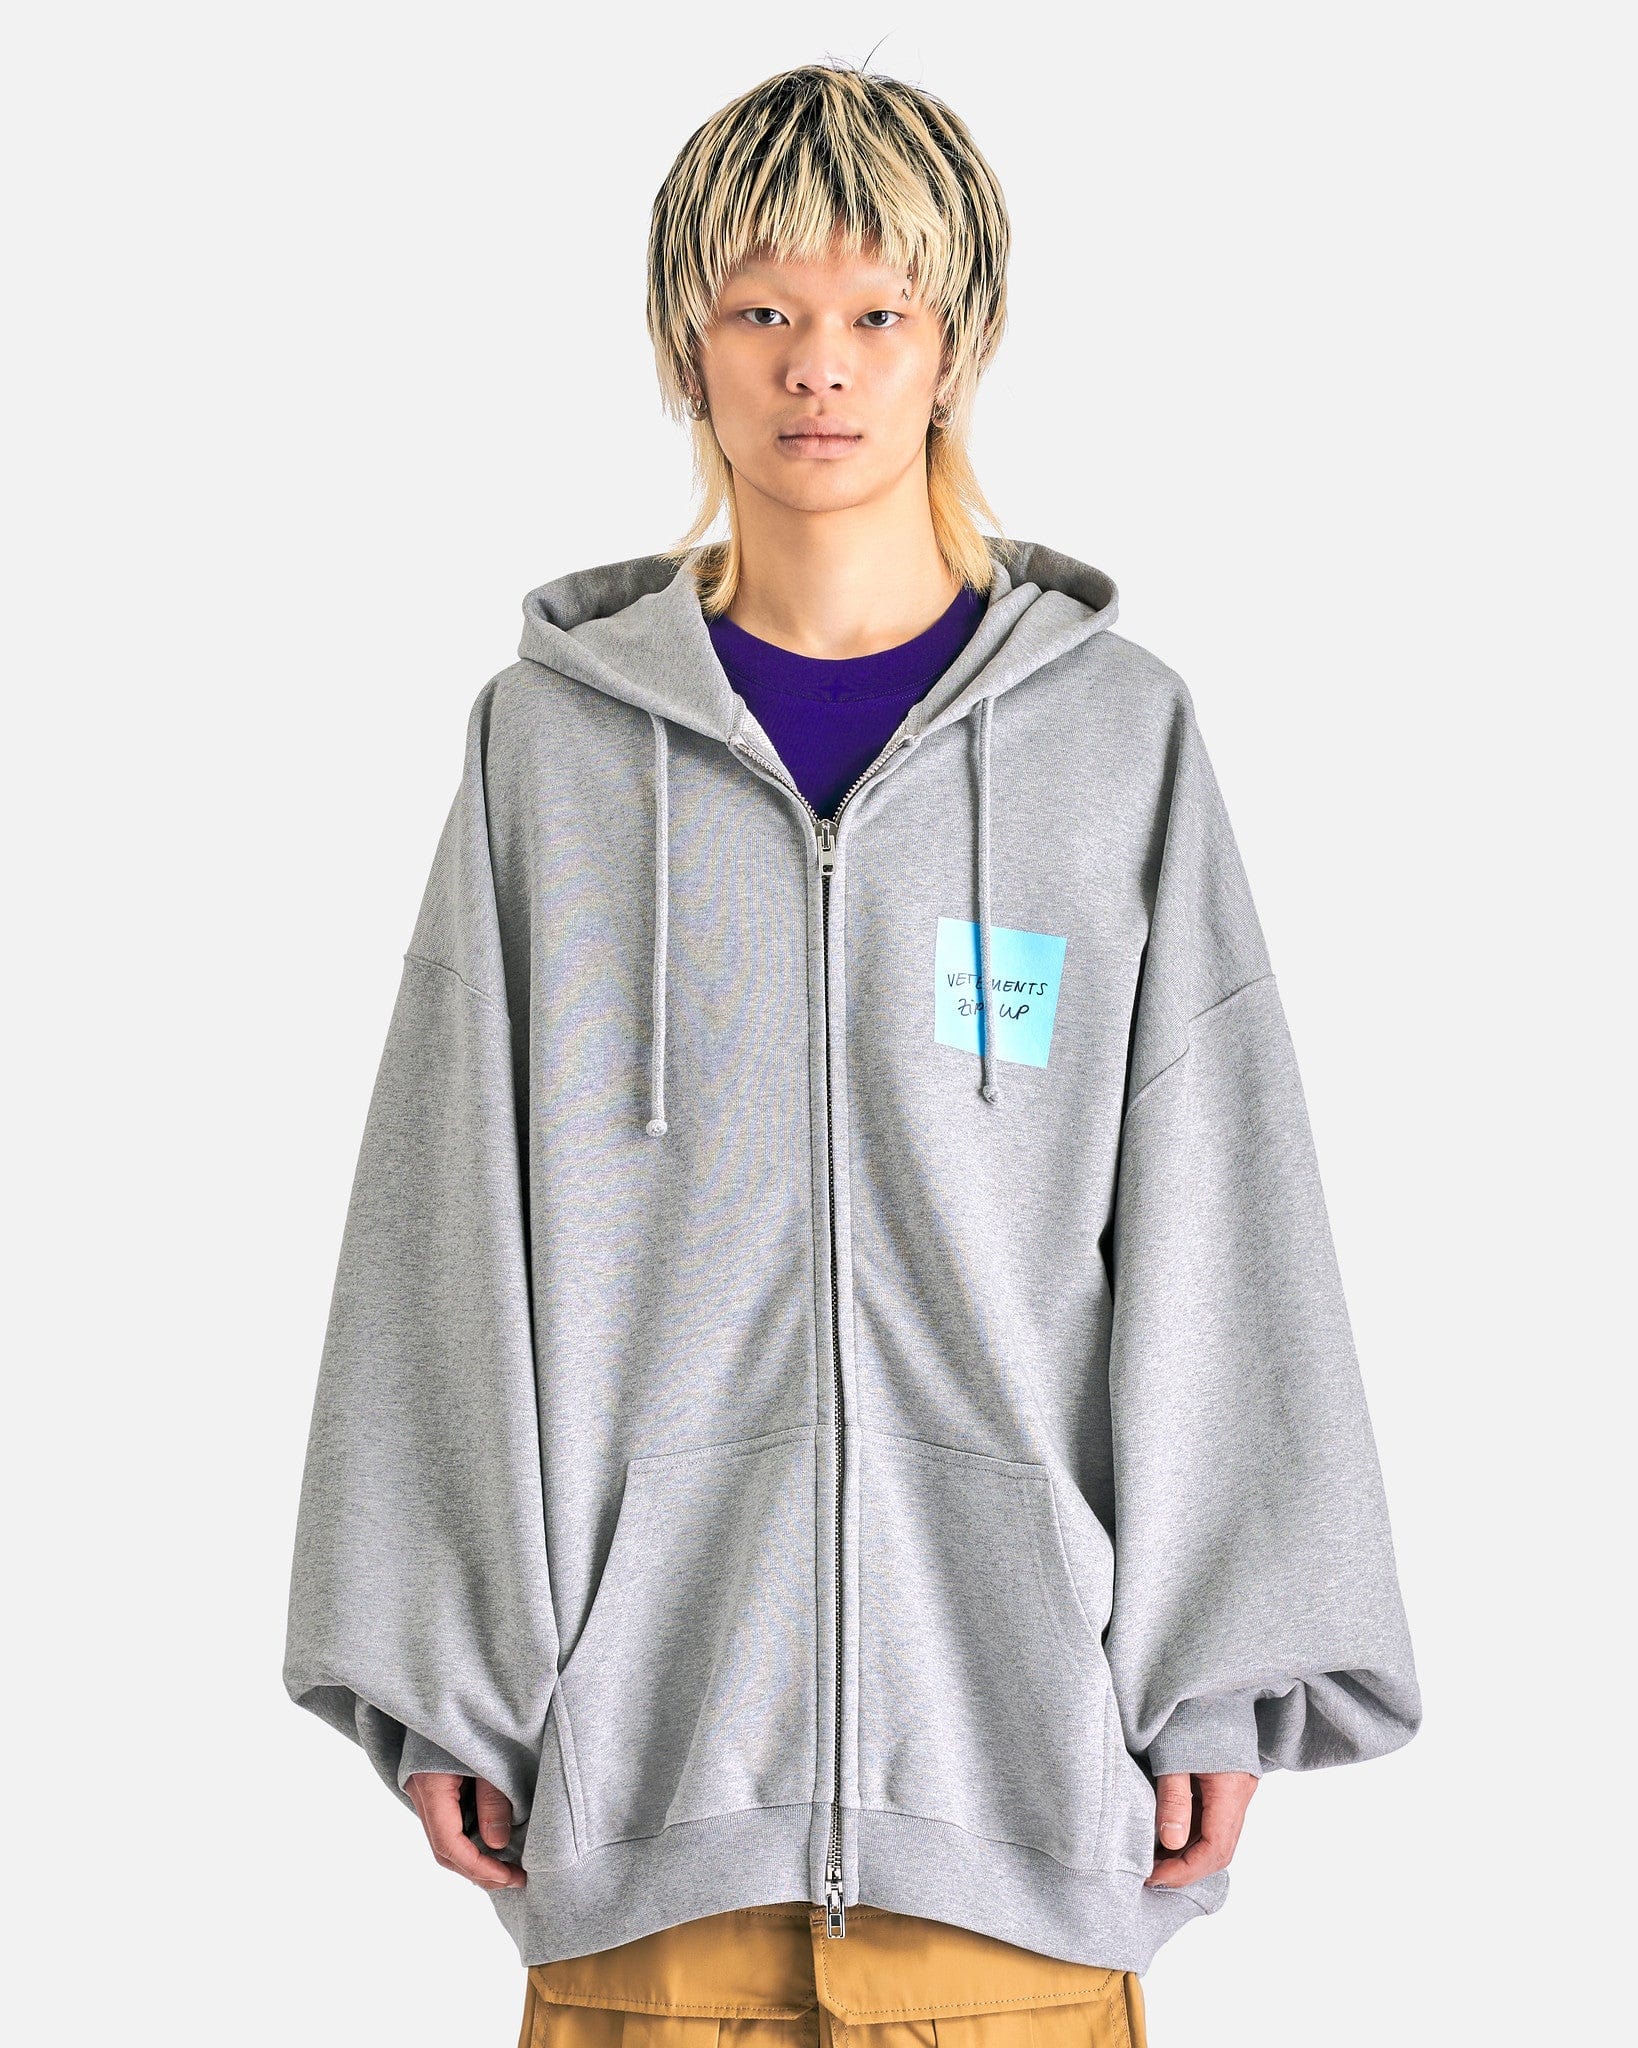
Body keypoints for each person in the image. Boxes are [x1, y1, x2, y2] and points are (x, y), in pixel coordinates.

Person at [283, 61, 1422, 2048]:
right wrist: (438, 1665)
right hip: (644, 1820)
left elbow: (1221, 1204)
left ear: (956, 347)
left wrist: (1223, 1665)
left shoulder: (1114, 744)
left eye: (877, 311)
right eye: (762, 309)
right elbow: (440, 1218)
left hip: (1015, 1814)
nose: (819, 365)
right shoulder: (548, 751)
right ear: (684, 346)